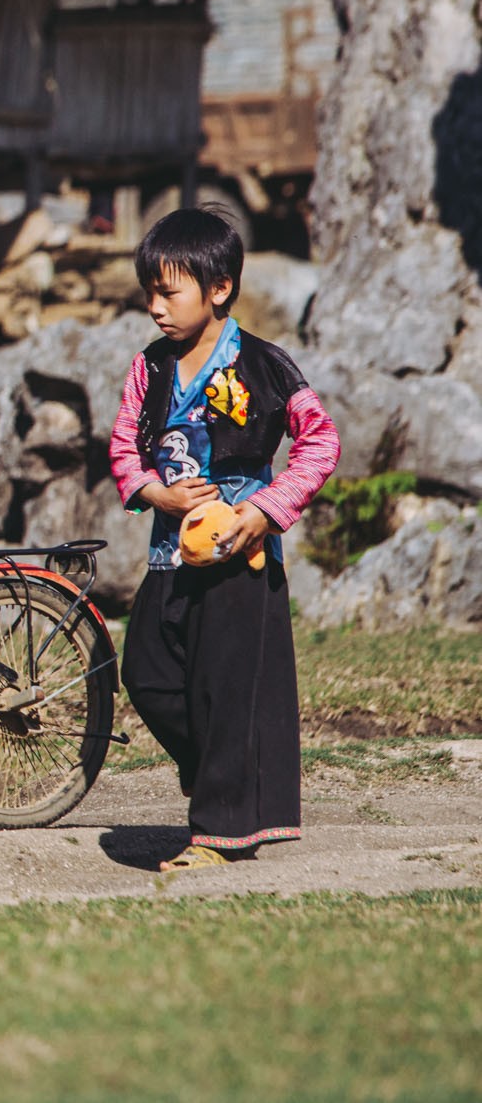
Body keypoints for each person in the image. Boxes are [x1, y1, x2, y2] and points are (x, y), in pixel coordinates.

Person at [108, 207, 340, 872]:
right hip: (168, 553)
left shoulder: (265, 366)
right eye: (148, 291)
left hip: (241, 560)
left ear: (219, 289)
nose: (154, 306)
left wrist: (267, 509)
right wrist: (156, 493)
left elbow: (320, 441)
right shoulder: (148, 369)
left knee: (224, 689)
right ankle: (222, 771)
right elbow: (125, 445)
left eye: (168, 291)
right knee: (146, 674)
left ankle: (216, 835)